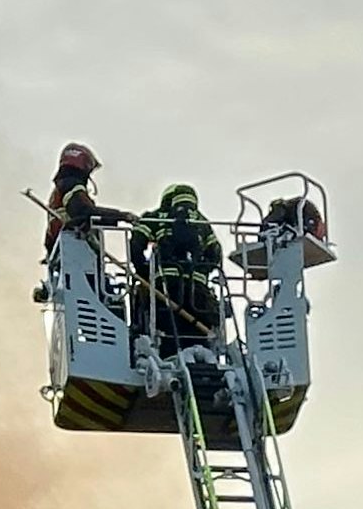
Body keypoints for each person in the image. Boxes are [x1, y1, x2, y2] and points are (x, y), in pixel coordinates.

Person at [132, 182, 224, 352]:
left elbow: (136, 245)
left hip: (164, 290)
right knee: (196, 336)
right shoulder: (202, 221)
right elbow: (216, 253)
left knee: (165, 336)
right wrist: (202, 271)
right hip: (198, 294)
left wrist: (144, 272)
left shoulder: (156, 217)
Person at [35, 142, 118, 303]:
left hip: (70, 264)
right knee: (107, 301)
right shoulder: (72, 186)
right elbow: (85, 211)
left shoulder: (58, 192)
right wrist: (123, 216)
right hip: (81, 260)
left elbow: (49, 238)